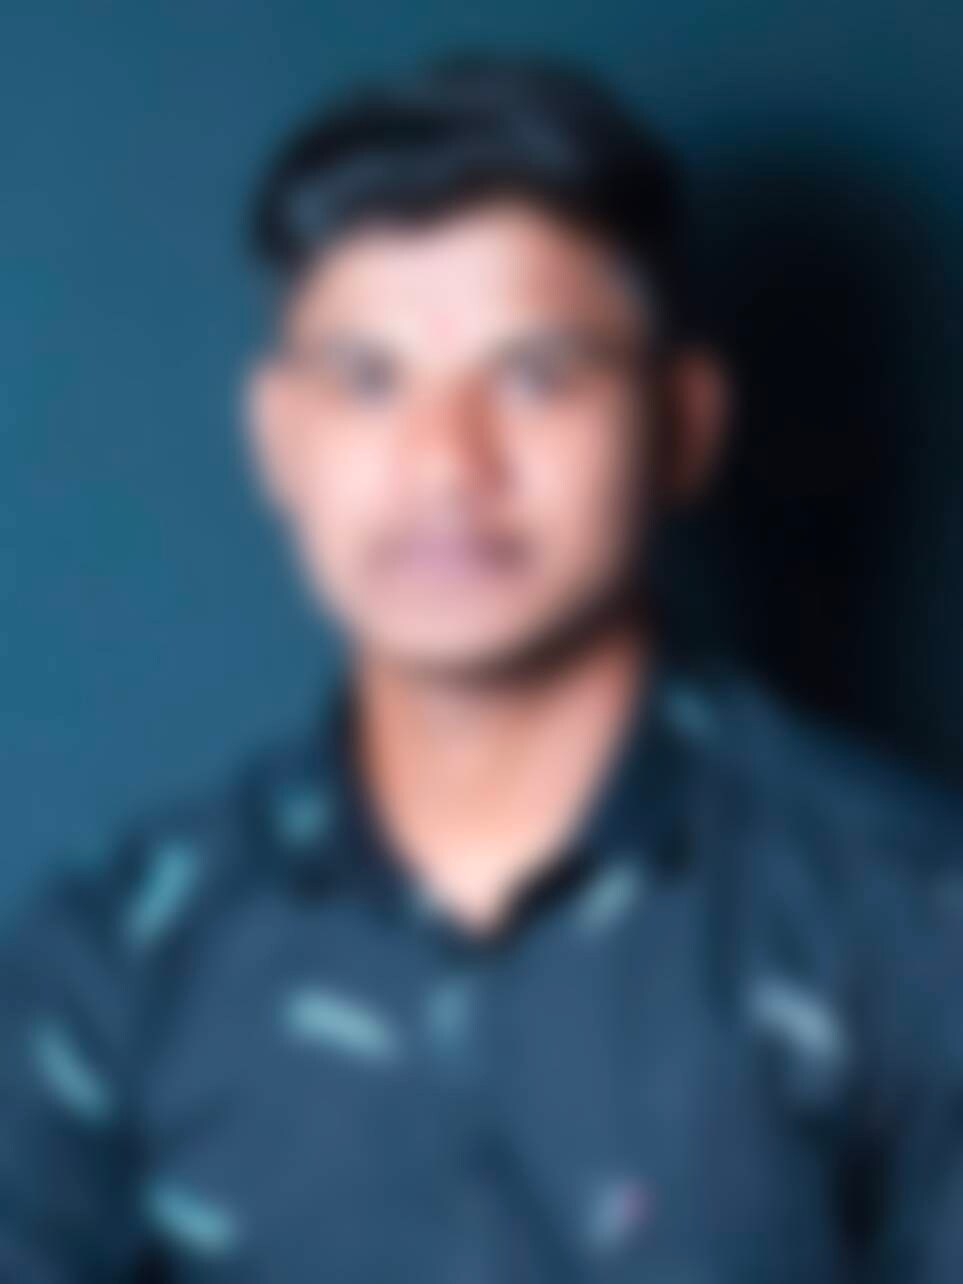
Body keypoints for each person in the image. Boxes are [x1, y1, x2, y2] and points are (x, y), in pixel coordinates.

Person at [3, 54, 963, 1284]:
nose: (448, 463)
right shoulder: (116, 960)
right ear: (277, 434)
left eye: (535, 375)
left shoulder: (906, 927)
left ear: (683, 424)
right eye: (367, 379)